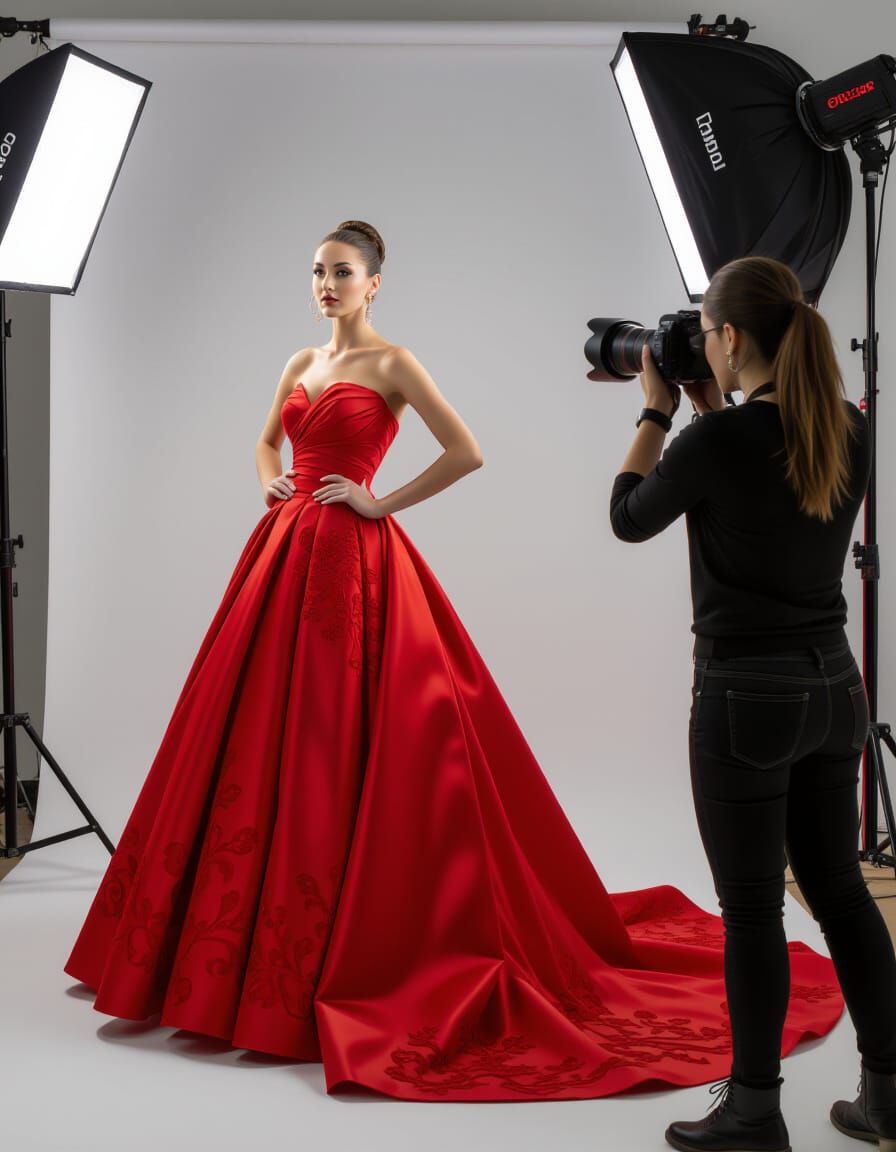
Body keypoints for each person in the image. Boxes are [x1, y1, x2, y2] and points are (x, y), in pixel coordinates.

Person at [66, 225, 844, 1103]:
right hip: (280, 555)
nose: (326, 284)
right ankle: (219, 953)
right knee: (245, 735)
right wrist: (268, 480)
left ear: (376, 284)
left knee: (339, 741)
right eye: (317, 272)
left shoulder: (395, 365)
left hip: (350, 566)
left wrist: (377, 501)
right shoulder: (298, 363)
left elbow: (466, 451)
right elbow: (265, 443)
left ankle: (328, 946)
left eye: (343, 272)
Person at [610, 254, 896, 1152]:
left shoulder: (713, 441)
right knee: (841, 889)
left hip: (745, 700)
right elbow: (761, 479)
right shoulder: (846, 428)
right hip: (832, 692)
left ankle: (754, 1109)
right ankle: (889, 1095)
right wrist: (705, 415)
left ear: (730, 338)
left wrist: (657, 411)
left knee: (750, 911)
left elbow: (628, 514)